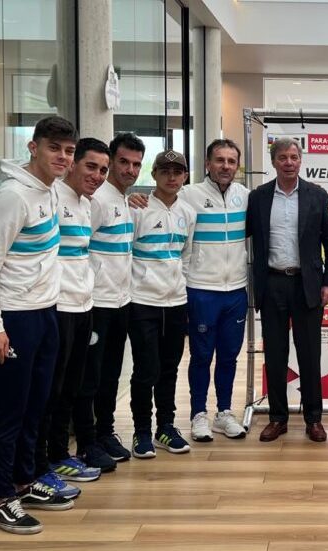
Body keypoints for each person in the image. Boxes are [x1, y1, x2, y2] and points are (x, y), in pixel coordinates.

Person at [0, 116, 77, 535]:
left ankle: (24, 480)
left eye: (68, 151)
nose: (63, 157)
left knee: (37, 406)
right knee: (10, 412)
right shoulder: (11, 197)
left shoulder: (49, 189)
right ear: (33, 147)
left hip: (46, 312)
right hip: (14, 318)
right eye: (55, 148)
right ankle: (2, 498)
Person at [128, 139, 250, 442]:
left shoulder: (246, 196)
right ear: (207, 164)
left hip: (236, 290)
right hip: (200, 290)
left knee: (229, 356)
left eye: (231, 161)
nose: (225, 166)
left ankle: (224, 413)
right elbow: (161, 200)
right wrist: (132, 197)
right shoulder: (188, 195)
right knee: (201, 356)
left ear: (237, 166)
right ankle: (198, 414)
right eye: (219, 160)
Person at [31, 138, 111, 504]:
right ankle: (39, 465)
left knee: (69, 389)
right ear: (73, 164)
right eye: (91, 167)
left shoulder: (87, 204)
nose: (97, 176)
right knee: (49, 392)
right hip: (56, 307)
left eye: (102, 170)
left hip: (83, 306)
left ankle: (60, 455)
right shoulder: (51, 198)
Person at [246, 137, 328, 443]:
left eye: (294, 157)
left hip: (306, 285)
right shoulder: (258, 197)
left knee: (309, 355)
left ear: (300, 161)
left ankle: (314, 419)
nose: (289, 162)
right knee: (275, 355)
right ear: (274, 162)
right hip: (272, 283)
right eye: (283, 157)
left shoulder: (316, 195)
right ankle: (278, 418)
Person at [75, 133, 144, 469]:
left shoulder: (123, 199)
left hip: (120, 303)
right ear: (112, 161)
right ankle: (86, 442)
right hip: (96, 304)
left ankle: (105, 431)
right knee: (90, 377)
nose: (130, 169)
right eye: (123, 162)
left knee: (111, 374)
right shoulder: (97, 200)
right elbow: (79, 251)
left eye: (136, 164)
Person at [127, 150, 196, 458]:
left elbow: (187, 256)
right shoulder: (137, 208)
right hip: (142, 302)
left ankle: (165, 427)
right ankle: (141, 431)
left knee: (169, 369)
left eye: (177, 172)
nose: (171, 177)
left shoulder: (188, 213)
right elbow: (125, 253)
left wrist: (180, 288)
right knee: (146, 369)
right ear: (154, 174)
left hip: (176, 302)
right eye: (165, 171)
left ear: (185, 177)